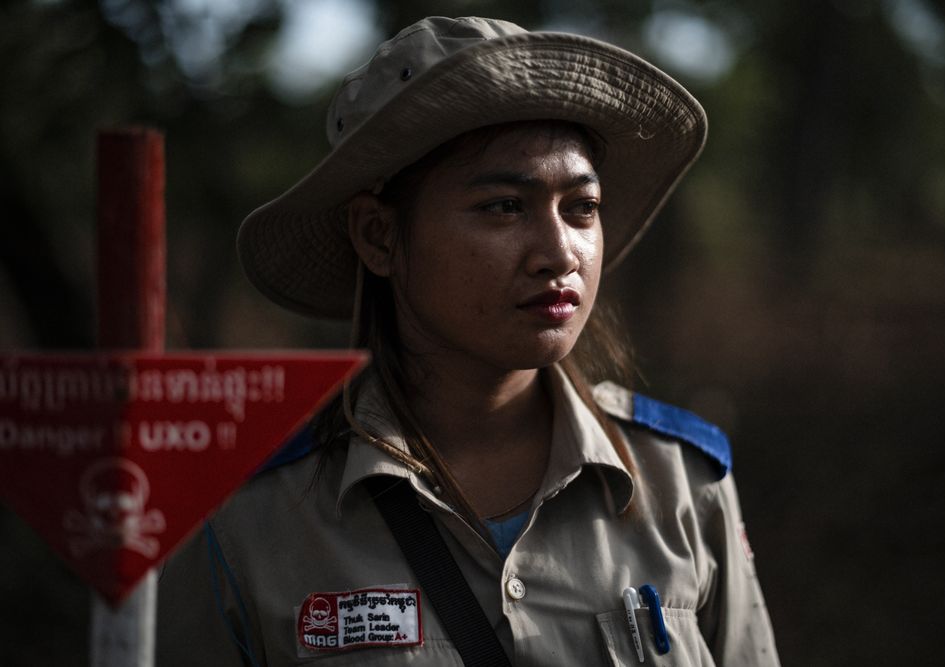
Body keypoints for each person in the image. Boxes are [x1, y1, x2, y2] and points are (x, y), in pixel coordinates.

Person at [157, 16, 780, 666]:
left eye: (582, 207)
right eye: (503, 206)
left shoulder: (683, 485)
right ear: (377, 236)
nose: (558, 253)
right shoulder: (251, 517)